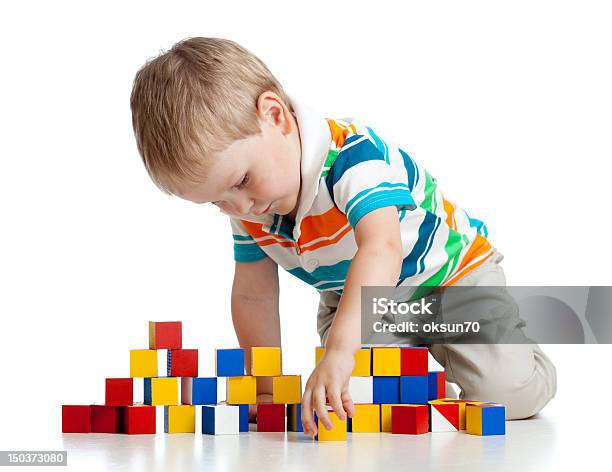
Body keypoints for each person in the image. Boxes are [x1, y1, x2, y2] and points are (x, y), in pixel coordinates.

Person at [130, 37, 556, 437]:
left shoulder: (352, 158)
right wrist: (264, 385)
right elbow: (253, 296)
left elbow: (383, 248)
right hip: (366, 304)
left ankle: (512, 351)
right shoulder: (250, 210)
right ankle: (434, 365)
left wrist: (339, 350)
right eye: (217, 202)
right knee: (359, 402)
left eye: (241, 180)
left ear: (274, 115)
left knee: (506, 394)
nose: (240, 208)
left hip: (451, 279)